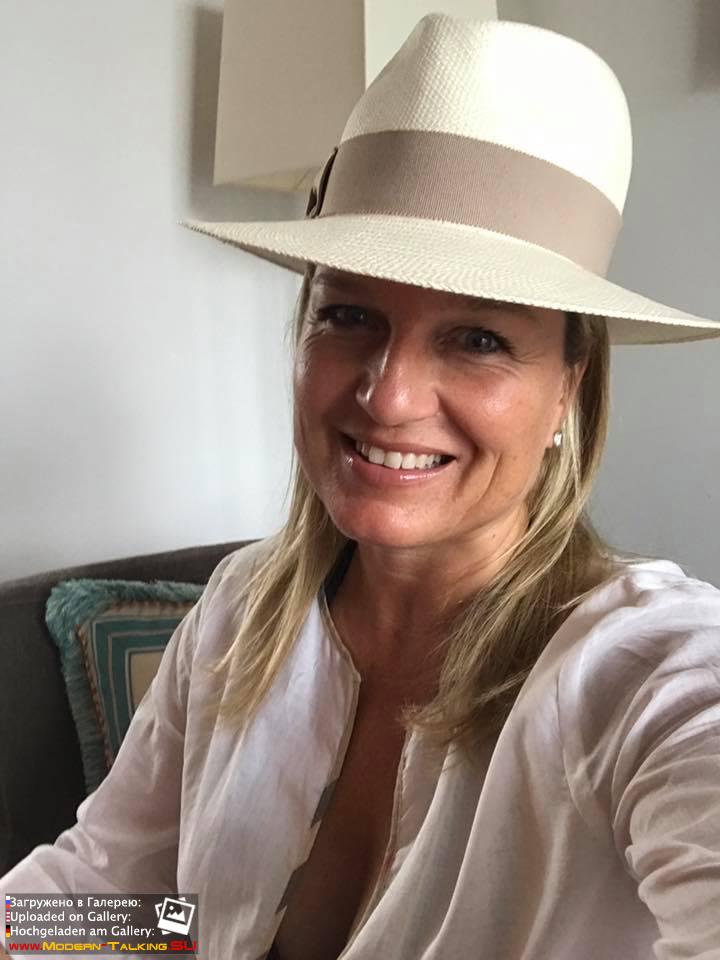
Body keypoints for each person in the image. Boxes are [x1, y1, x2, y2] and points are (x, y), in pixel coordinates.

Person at [3, 13, 720, 960]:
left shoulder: (650, 673)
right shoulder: (242, 612)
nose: (388, 396)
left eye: (478, 338)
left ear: (566, 391)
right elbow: (136, 903)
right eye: (347, 314)